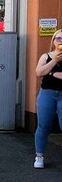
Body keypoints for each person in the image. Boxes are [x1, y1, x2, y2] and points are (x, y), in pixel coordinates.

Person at [34, 29, 62, 169]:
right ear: (53, 41)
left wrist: (52, 73)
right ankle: (39, 156)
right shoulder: (46, 56)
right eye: (58, 38)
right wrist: (54, 63)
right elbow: (39, 72)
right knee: (43, 125)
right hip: (47, 94)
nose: (60, 41)